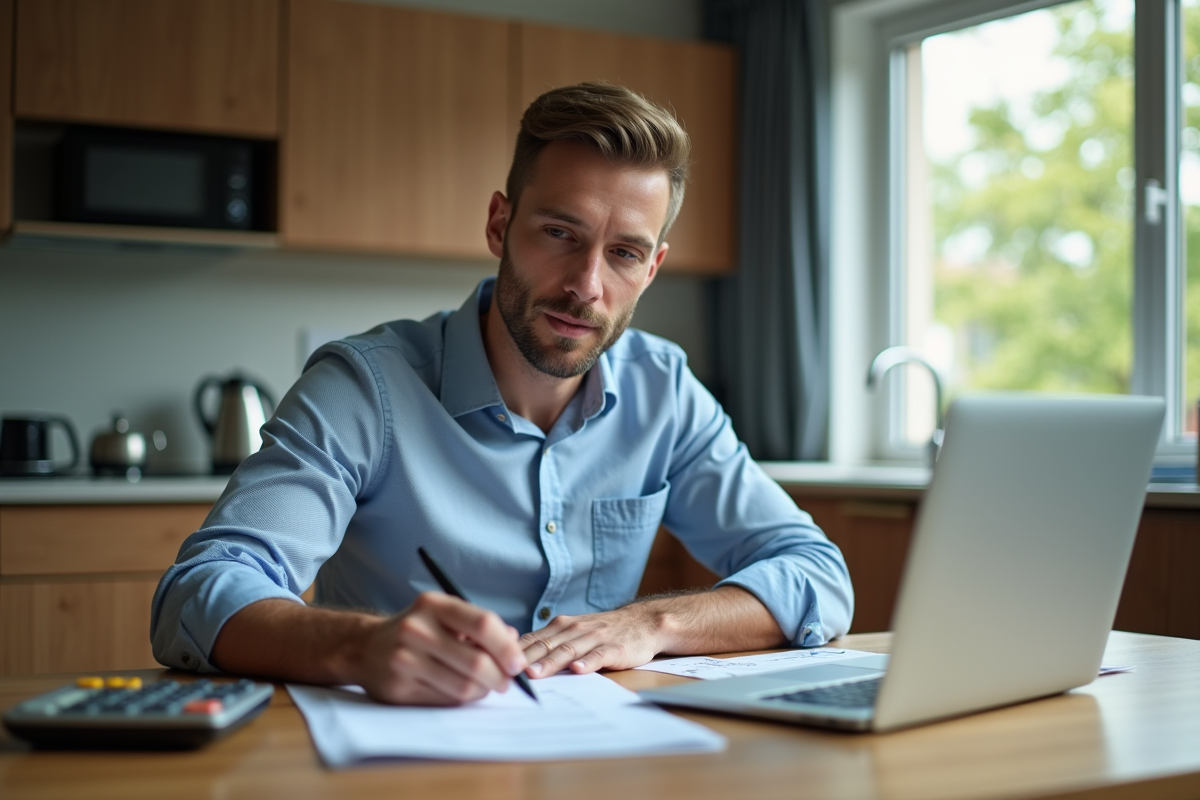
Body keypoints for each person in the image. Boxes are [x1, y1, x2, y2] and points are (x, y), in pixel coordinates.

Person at [151, 82, 853, 706]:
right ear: (499, 225)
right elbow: (197, 591)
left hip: (595, 756)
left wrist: (650, 624)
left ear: (652, 268)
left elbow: (817, 574)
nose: (586, 286)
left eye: (624, 253)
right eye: (559, 233)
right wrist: (360, 647)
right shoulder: (363, 388)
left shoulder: (663, 390)